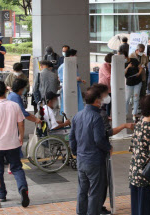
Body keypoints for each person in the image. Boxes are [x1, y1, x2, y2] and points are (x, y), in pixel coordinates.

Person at [0, 81, 30, 207]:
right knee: (16, 168)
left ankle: (2, 194)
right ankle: (22, 189)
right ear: (6, 90)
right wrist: (20, 136)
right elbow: (21, 123)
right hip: (13, 143)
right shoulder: (14, 105)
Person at [69, 86, 112, 215]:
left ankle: (80, 212)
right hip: (94, 159)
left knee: (82, 190)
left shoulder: (77, 116)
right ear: (97, 100)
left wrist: (76, 152)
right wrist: (108, 147)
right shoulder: (96, 117)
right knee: (95, 192)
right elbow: (98, 140)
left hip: (81, 159)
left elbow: (71, 138)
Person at [93, 83, 134, 214]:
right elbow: (107, 133)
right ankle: (98, 207)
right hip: (99, 152)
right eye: (106, 94)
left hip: (87, 153)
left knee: (90, 184)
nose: (108, 96)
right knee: (102, 182)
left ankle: (92, 207)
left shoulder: (85, 112)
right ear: (100, 97)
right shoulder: (101, 114)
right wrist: (124, 126)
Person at [129, 95, 150, 215]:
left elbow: (132, 147)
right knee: (146, 209)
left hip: (134, 172)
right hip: (146, 176)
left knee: (136, 208)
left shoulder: (139, 124)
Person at [58, 49, 86, 114]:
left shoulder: (73, 65)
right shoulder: (63, 66)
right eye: (75, 55)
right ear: (71, 56)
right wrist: (75, 79)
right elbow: (62, 79)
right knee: (68, 107)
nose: (76, 57)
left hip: (75, 88)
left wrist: (80, 80)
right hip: (68, 88)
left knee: (75, 106)